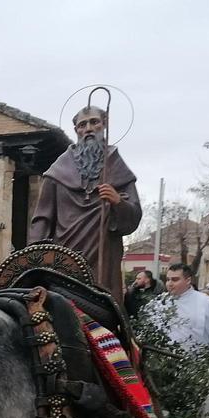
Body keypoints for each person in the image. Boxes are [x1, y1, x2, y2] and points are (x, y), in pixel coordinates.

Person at [28, 104, 142, 303]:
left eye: (94, 122)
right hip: (64, 257)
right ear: (76, 130)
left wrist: (117, 202)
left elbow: (133, 218)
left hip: (103, 256)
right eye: (82, 124)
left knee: (101, 308)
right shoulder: (58, 171)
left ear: (104, 124)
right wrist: (35, 260)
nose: (88, 128)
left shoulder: (117, 167)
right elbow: (42, 219)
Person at [149, 262, 209, 364]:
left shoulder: (206, 302)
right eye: (168, 279)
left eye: (175, 279)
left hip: (197, 366)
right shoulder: (160, 303)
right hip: (164, 365)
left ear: (188, 280)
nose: (169, 283)